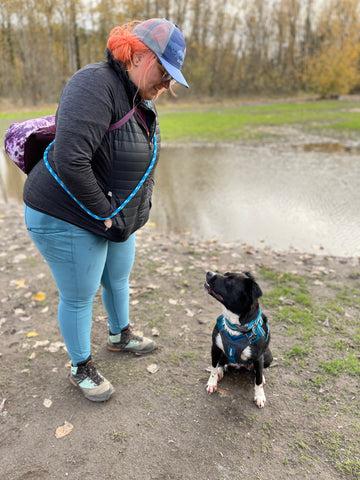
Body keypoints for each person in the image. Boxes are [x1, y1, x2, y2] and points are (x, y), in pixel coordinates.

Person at [23, 18, 189, 402]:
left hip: (106, 215)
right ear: (140, 55)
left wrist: (133, 214)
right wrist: (107, 215)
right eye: (165, 71)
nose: (168, 84)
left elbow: (132, 159)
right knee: (80, 293)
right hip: (65, 213)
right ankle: (80, 367)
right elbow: (70, 160)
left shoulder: (135, 95)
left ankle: (120, 335)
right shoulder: (94, 83)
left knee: (118, 275)